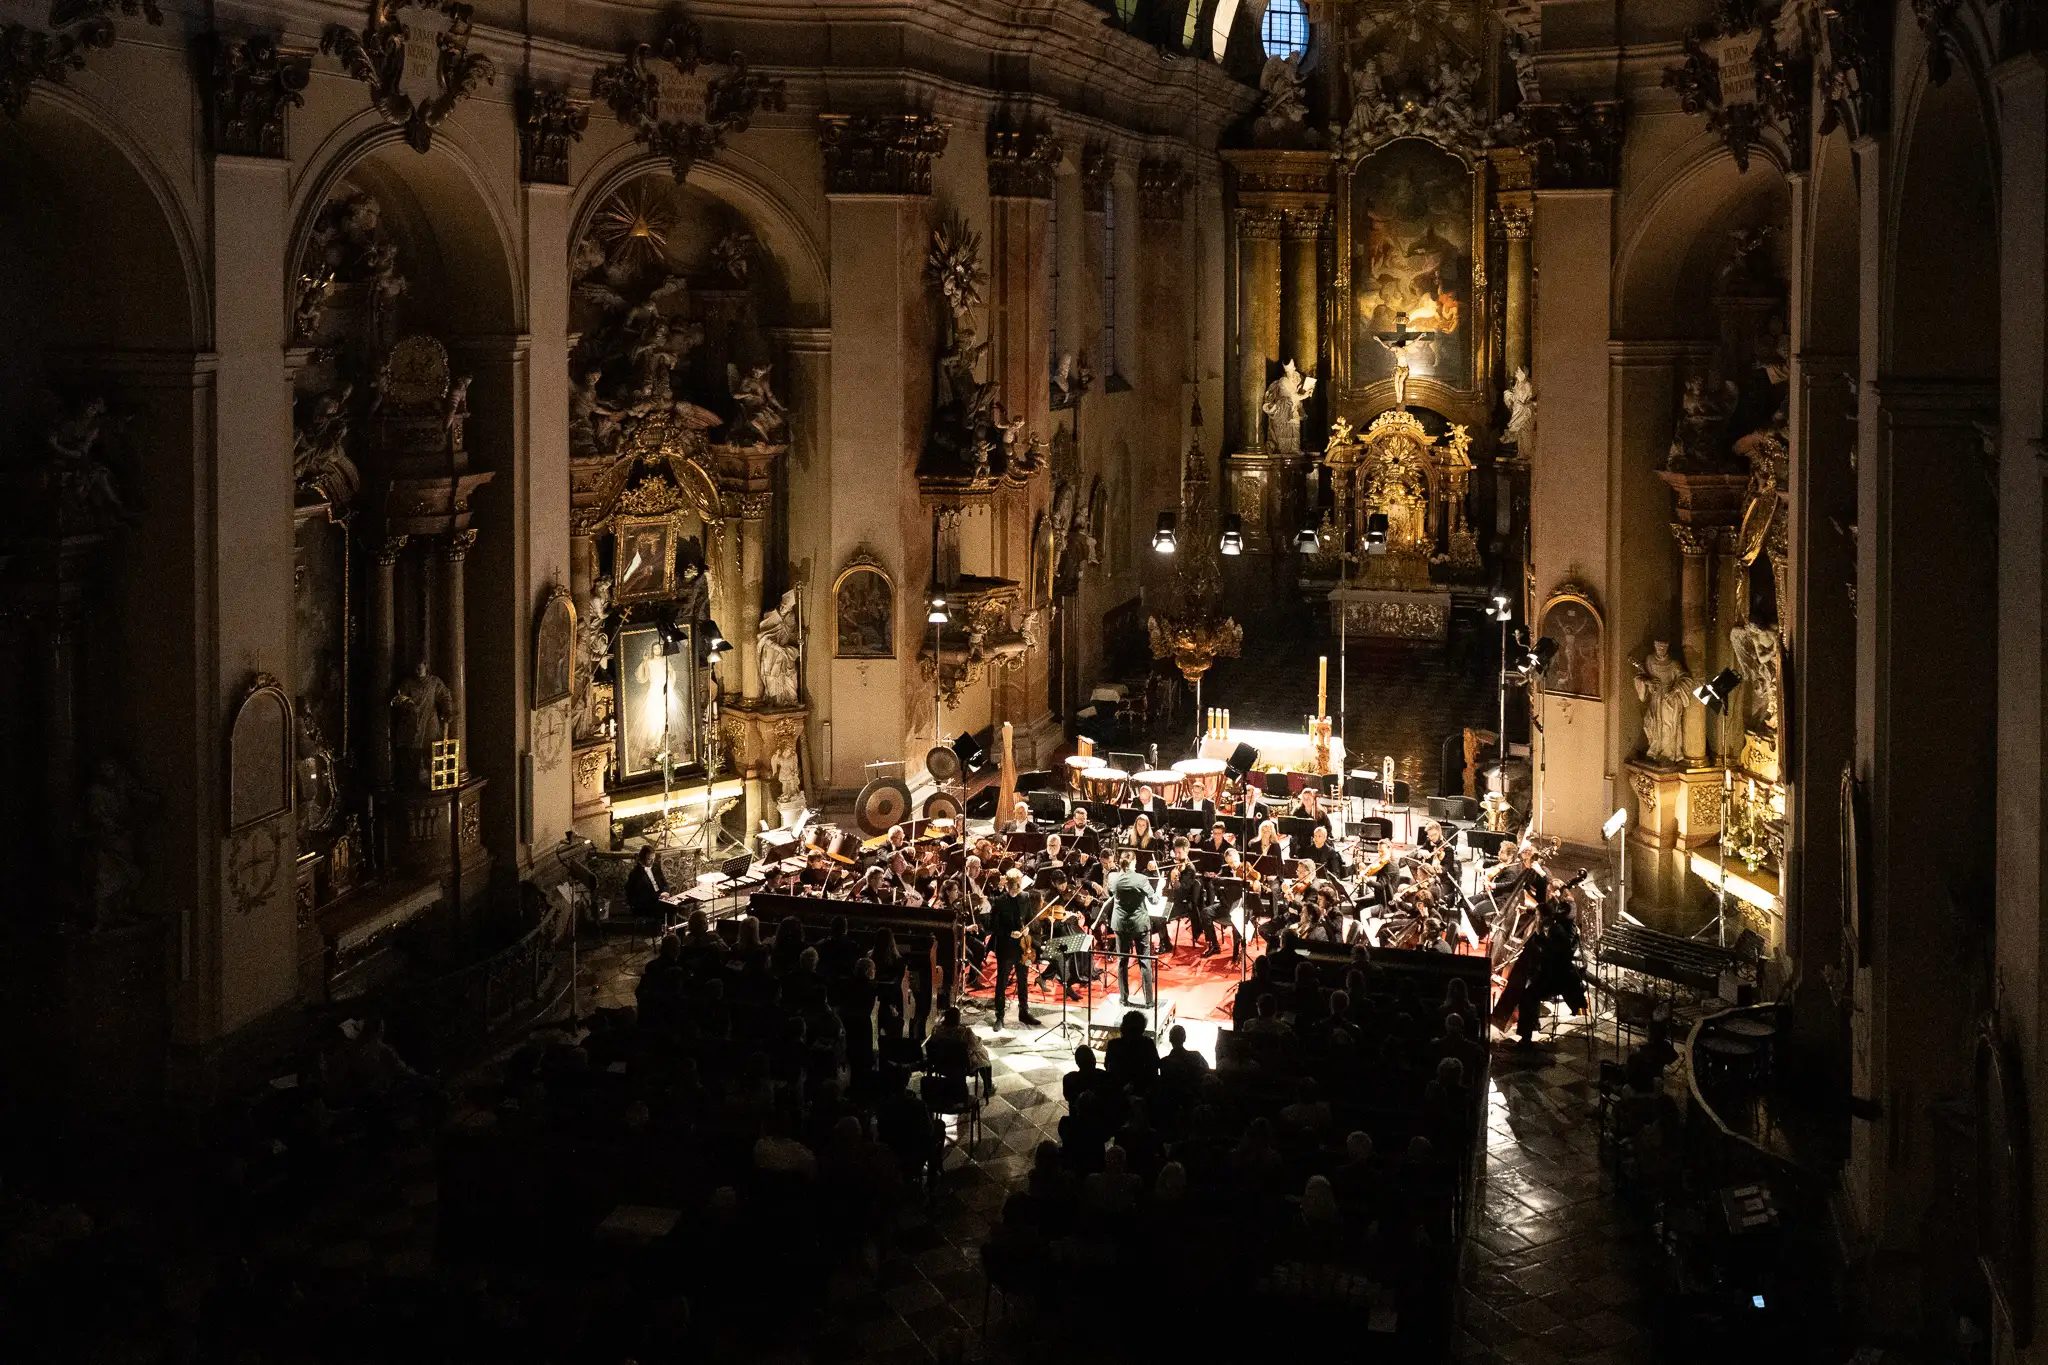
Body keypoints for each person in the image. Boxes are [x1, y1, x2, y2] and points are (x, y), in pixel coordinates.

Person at [1105, 851, 1161, 1007]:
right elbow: (1154, 901)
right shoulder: (1141, 879)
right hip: (1139, 924)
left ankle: (1123, 999)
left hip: (1121, 924)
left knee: (1122, 961)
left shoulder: (1113, 878)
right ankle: (1149, 1001)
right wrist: (1159, 890)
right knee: (1144, 961)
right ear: (1133, 862)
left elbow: (1111, 892)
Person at [989, 867, 1042, 1029]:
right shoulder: (999, 901)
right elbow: (993, 926)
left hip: (1022, 946)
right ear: (1007, 886)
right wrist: (1009, 933)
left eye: (1018, 887)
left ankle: (1024, 1012)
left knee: (1023, 980)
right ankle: (999, 1015)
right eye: (1013, 887)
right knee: (1002, 982)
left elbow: (1030, 919)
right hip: (1006, 946)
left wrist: (1027, 929)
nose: (1016, 890)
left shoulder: (1025, 897)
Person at [928, 1005, 993, 1093]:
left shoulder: (936, 1030)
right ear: (958, 1019)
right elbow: (976, 1045)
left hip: (940, 1063)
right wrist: (979, 1039)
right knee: (982, 1053)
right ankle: (988, 1087)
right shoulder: (965, 1032)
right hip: (961, 1065)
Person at [1103, 1010, 1160, 1094]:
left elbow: (1107, 1066)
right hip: (1143, 1090)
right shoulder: (1148, 1043)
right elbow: (1154, 1067)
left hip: (1118, 1090)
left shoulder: (1113, 1044)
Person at [1159, 1023, 1209, 1091]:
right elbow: (1206, 1071)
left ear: (1170, 1039)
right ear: (1184, 1038)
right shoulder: (1196, 1057)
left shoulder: (1164, 1062)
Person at [625, 845, 668, 919]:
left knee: (676, 907)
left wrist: (665, 892)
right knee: (667, 909)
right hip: (647, 904)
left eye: (653, 859)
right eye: (649, 859)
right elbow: (640, 896)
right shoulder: (635, 874)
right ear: (642, 858)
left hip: (661, 897)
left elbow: (665, 883)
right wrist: (658, 897)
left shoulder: (656, 867)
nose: (652, 862)